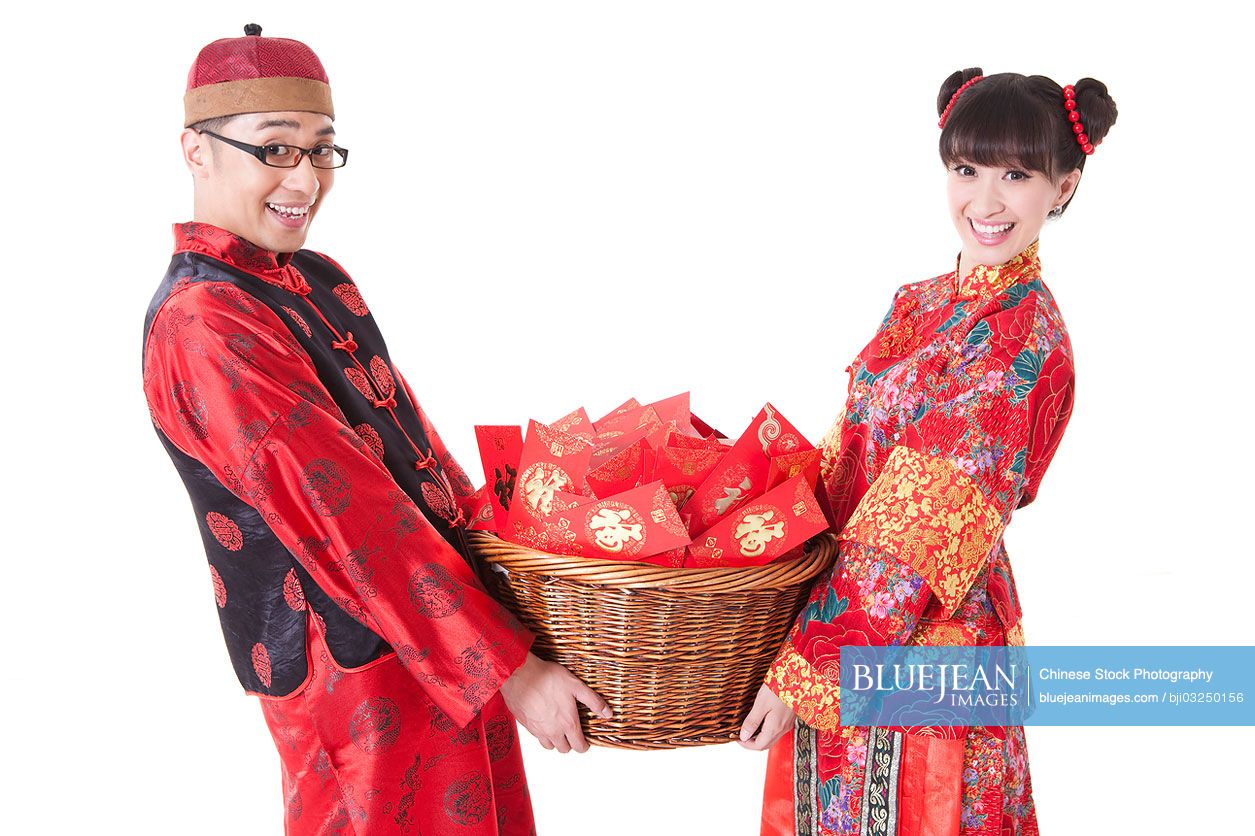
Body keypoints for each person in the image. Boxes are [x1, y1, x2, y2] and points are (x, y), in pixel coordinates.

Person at [142, 25, 610, 835]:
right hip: (352, 674)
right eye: (275, 149)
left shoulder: (317, 277)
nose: (307, 177)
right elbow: (346, 511)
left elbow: (419, 461)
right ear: (196, 150)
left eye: (322, 149)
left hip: (447, 641)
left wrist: (521, 587)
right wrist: (505, 666)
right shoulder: (203, 320)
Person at [738, 68, 1118, 835]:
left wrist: (811, 666)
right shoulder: (918, 304)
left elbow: (921, 522)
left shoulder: (1022, 339)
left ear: (1064, 186)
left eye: (1016, 175)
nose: (984, 200)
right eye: (965, 169)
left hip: (926, 631)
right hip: (842, 612)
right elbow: (845, 453)